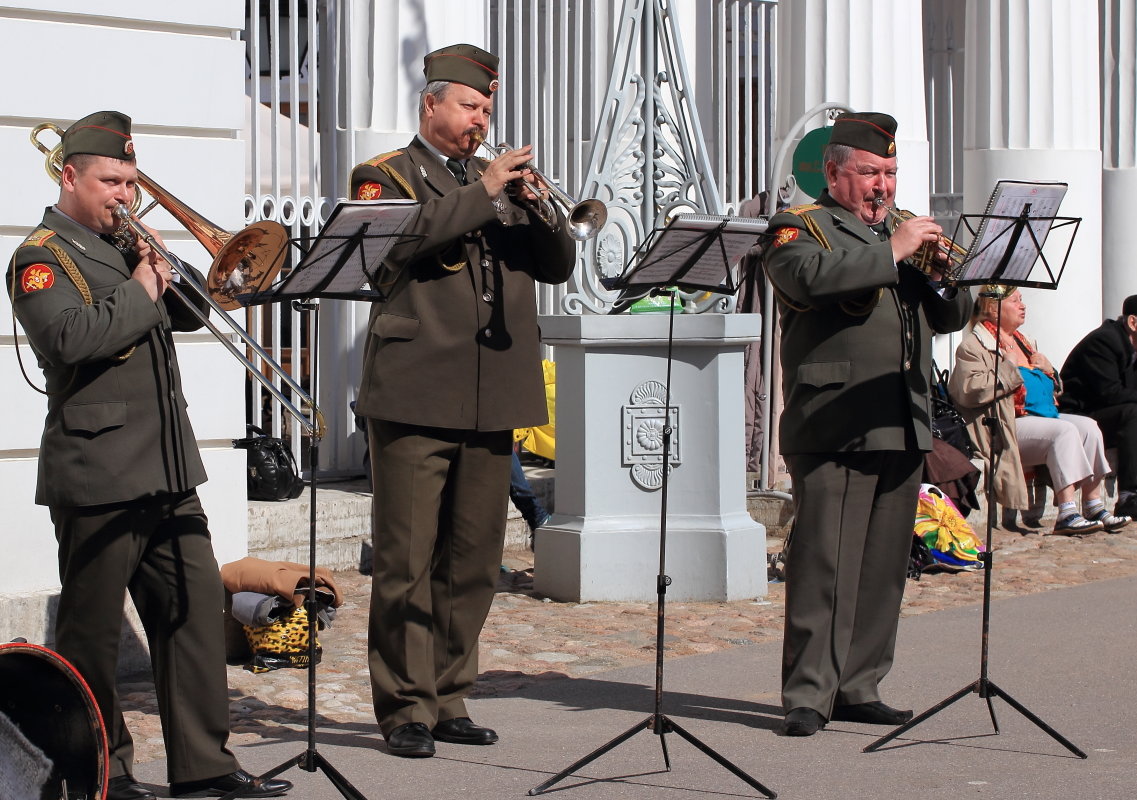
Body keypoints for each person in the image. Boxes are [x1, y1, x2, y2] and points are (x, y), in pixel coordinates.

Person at [6, 111, 291, 800]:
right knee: (92, 640)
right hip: (98, 476)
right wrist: (141, 286)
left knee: (193, 617)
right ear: (68, 175)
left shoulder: (127, 247)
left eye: (130, 182)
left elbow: (195, 309)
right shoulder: (43, 256)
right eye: (110, 180)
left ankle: (205, 767)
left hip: (167, 468)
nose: (123, 195)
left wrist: (174, 263)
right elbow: (70, 340)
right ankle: (108, 772)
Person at [350, 44, 576, 758]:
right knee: (406, 557)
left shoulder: (499, 183)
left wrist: (536, 209)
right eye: (470, 106)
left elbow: (558, 264)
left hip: (492, 390)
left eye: (487, 108)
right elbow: (393, 250)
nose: (481, 119)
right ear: (432, 104)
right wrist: (481, 194)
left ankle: (450, 695)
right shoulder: (382, 176)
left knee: (473, 558)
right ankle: (405, 707)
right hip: (416, 389)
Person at [763, 111, 972, 737]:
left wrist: (941, 271)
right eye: (870, 172)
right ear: (834, 172)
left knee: (884, 566)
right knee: (824, 558)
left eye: (890, 173)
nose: (883, 185)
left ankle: (859, 684)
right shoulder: (798, 228)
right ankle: (808, 692)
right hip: (835, 418)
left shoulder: (900, 235)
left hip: (901, 418)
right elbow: (809, 281)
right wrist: (895, 250)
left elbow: (954, 312)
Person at [948, 286, 1131, 535]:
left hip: (1038, 418)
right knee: (1064, 431)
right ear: (994, 307)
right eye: (1015, 300)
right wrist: (1008, 368)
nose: (1023, 305)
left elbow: (1049, 391)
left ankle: (1092, 504)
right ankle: (1067, 511)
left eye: (1022, 300)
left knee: (1088, 427)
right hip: (1003, 425)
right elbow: (969, 391)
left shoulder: (1025, 343)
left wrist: (1050, 372)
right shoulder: (974, 346)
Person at [1057, 295, 1137, 518]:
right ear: (1133, 323)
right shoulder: (1105, 341)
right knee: (1134, 413)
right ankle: (1129, 496)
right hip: (1080, 415)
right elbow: (1109, 394)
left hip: (1108, 413)